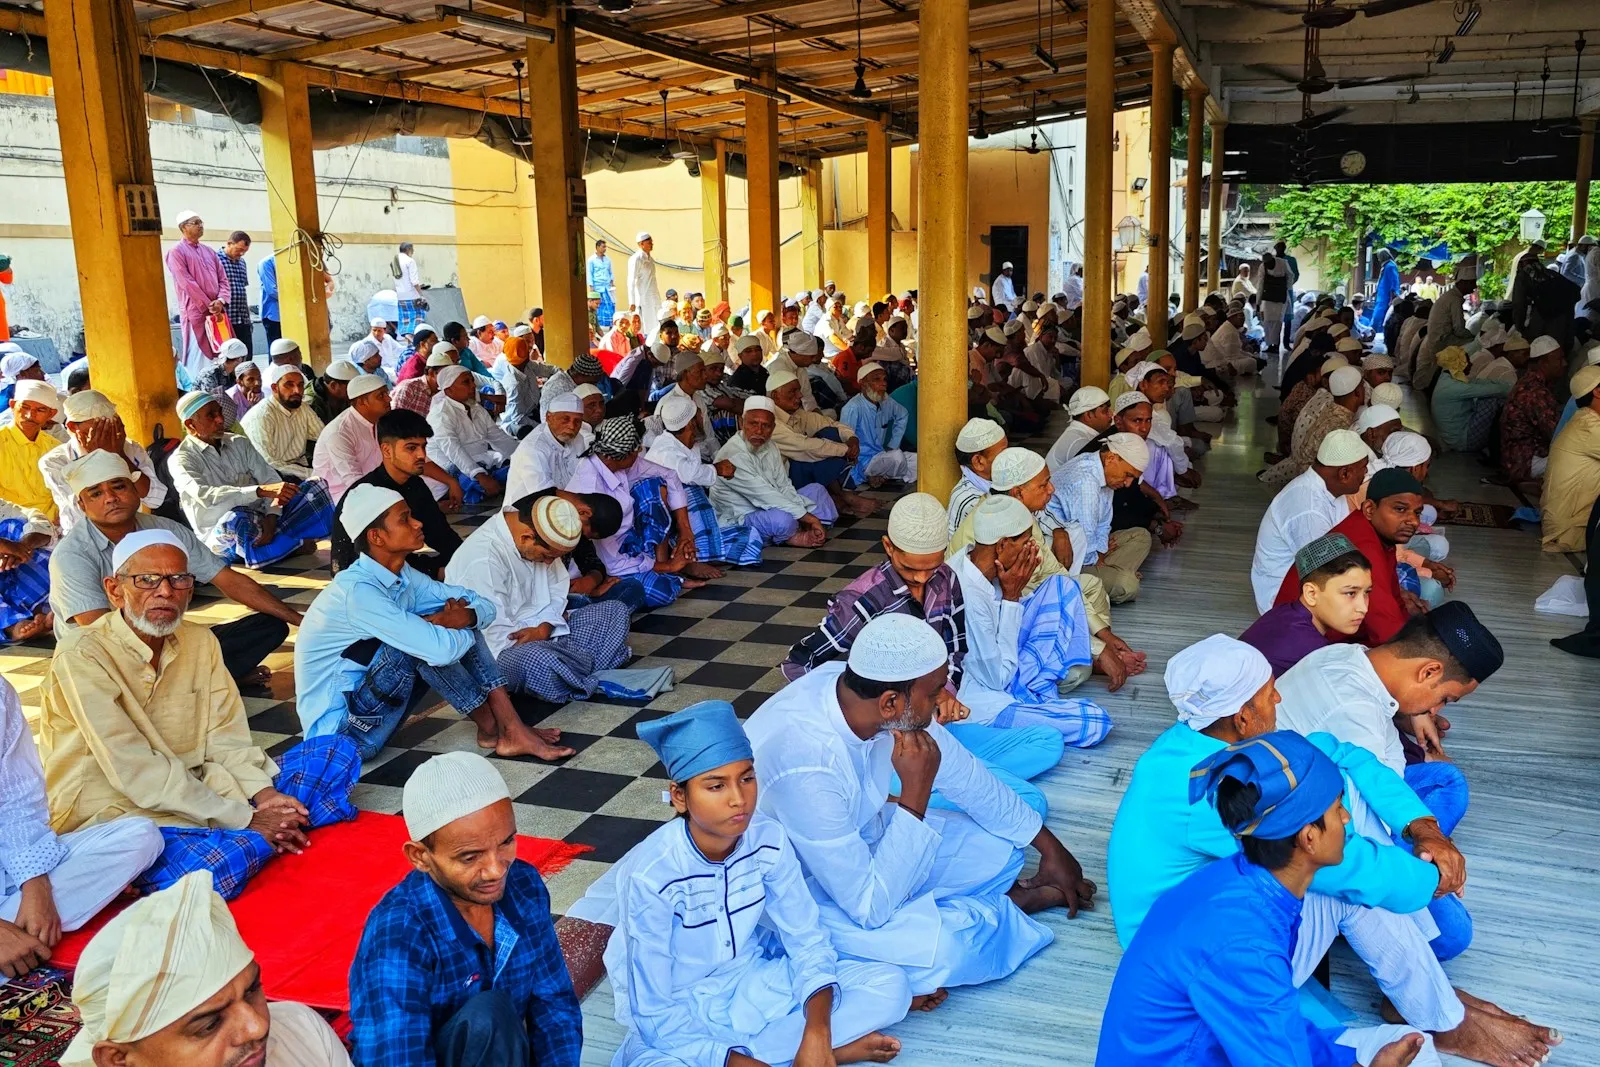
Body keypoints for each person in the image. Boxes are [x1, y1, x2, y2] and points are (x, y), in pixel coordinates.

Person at [745, 614, 1096, 999]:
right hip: (802, 888)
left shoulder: (862, 689)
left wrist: (1049, 847)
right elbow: (868, 906)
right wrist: (915, 792)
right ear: (892, 702)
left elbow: (965, 775)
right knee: (952, 948)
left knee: (1001, 849)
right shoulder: (804, 762)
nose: (942, 699)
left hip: (865, 839)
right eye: (934, 693)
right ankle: (1014, 903)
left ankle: (963, 908)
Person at [37, 529, 360, 900]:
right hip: (120, 814)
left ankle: (265, 832)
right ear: (114, 590)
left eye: (179, 579)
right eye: (146, 580)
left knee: (337, 751)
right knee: (219, 857)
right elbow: (134, 770)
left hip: (206, 788)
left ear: (190, 589)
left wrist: (265, 795)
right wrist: (247, 817)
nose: (165, 591)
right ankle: (253, 837)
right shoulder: (82, 654)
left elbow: (227, 736)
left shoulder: (200, 642)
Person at [1097, 730, 1444, 1067]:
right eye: (1339, 808)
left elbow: (1280, 1028)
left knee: (1415, 1047)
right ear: (1309, 838)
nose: (1347, 818)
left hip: (1215, 1045)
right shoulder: (1244, 944)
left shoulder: (1247, 883)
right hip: (1195, 1055)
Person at [600, 700, 912, 1067]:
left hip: (750, 985)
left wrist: (817, 1031)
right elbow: (653, 1015)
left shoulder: (768, 840)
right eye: (716, 786)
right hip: (679, 1016)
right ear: (680, 796)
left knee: (891, 987)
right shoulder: (651, 874)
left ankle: (811, 1051)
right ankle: (815, 1057)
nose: (738, 799)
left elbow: (807, 941)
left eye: (747, 778)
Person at [1276, 604, 1505, 964]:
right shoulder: (1353, 712)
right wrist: (1429, 842)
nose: (1437, 708)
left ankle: (1421, 858)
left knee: (1447, 780)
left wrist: (1406, 713)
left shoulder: (1347, 656)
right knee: (1452, 936)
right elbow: (1369, 815)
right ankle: (1357, 915)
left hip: (1351, 789)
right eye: (1444, 698)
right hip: (1325, 823)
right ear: (1429, 671)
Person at [297, 484, 571, 762]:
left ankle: (503, 727)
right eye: (404, 519)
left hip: (375, 720)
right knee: (421, 642)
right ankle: (500, 726)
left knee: (452, 618)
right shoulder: (358, 593)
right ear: (376, 536)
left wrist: (468, 616)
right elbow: (439, 651)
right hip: (340, 740)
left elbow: (482, 604)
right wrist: (458, 623)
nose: (417, 523)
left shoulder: (403, 575)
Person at [350, 752, 581, 1067]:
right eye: (470, 857)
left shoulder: (523, 885)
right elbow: (398, 1059)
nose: (495, 870)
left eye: (506, 843)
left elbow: (555, 1006)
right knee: (487, 1019)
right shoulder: (400, 933)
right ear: (420, 856)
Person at [49, 451, 301, 685]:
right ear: (81, 505)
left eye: (119, 486)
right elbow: (99, 632)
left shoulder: (165, 530)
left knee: (269, 626)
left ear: (135, 490)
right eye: (96, 493)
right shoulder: (72, 554)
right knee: (118, 665)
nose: (111, 498)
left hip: (166, 643)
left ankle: (200, 679)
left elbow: (227, 579)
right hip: (107, 659)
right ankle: (206, 680)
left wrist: (300, 620)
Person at [61, 870, 353, 1067]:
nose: (257, 1026)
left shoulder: (300, 1028)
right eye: (209, 1025)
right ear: (119, 1060)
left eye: (251, 991)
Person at [0, 672, 162, 982]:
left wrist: (36, 885)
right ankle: (21, 937)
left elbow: (17, 799)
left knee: (140, 837)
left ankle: (23, 932)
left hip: (6, 868)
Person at [947, 495, 1112, 743]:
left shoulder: (972, 559)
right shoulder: (969, 594)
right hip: (984, 695)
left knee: (1063, 587)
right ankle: (1029, 697)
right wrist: (1012, 596)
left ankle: (1035, 686)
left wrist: (1013, 593)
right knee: (1095, 721)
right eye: (1026, 542)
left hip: (1001, 659)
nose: (1033, 548)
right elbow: (997, 679)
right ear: (1002, 545)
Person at [1275, 467, 1443, 645]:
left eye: (1417, 512)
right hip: (1300, 644)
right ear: (1369, 509)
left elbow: (1393, 600)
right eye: (1400, 509)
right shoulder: (1364, 548)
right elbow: (1386, 632)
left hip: (1318, 632)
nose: (1414, 521)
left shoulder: (1376, 534)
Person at [171, 391, 334, 568]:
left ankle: (276, 546)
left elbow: (271, 481)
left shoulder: (239, 443)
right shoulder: (181, 458)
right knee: (236, 519)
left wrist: (271, 518)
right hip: (225, 532)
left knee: (317, 487)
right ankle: (291, 545)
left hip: (264, 520)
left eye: (220, 412)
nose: (220, 419)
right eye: (211, 416)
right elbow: (204, 495)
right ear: (191, 424)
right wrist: (258, 491)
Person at [567, 416, 703, 608]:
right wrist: (667, 567)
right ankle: (595, 597)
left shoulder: (615, 462)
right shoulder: (592, 491)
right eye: (635, 451)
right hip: (602, 565)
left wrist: (685, 532)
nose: (638, 455)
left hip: (626, 549)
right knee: (660, 593)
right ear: (621, 455)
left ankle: (658, 573)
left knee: (654, 486)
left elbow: (669, 476)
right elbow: (609, 558)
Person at [329, 408, 463, 578]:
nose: (421, 455)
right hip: (364, 582)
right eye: (411, 448)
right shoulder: (368, 494)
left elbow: (440, 535)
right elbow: (372, 562)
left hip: (404, 570)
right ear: (386, 450)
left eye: (423, 446)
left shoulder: (414, 484)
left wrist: (464, 559)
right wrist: (437, 572)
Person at [1249, 428, 1368, 611]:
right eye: (1364, 468)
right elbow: (1328, 570)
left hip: (1316, 580)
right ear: (1344, 474)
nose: (1366, 474)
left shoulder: (1333, 492)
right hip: (1284, 600)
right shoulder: (1308, 508)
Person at [709, 396, 837, 550]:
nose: (759, 431)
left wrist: (801, 513)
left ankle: (796, 529)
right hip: (741, 517)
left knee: (817, 491)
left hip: (771, 505)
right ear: (742, 423)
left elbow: (783, 485)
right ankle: (792, 536)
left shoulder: (770, 446)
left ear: (773, 428)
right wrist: (807, 517)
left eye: (766, 426)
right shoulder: (732, 455)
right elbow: (765, 495)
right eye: (753, 424)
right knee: (782, 519)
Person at [1243, 532, 1372, 675]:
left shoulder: (1283, 612)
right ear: (1311, 593)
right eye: (1350, 593)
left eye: (1367, 592)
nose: (1363, 608)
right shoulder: (1314, 654)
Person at [39, 388, 165, 532]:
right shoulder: (54, 462)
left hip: (132, 533)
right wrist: (97, 456)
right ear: (73, 427)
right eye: (98, 427)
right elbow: (84, 513)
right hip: (86, 541)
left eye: (110, 424)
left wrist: (118, 455)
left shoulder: (128, 448)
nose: (107, 432)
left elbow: (156, 499)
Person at [1049, 433, 1151, 603]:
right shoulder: (1085, 481)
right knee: (1128, 585)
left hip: (1090, 549)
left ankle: (1110, 575)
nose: (1127, 483)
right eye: (1128, 475)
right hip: (1069, 558)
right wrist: (1099, 557)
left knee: (1141, 536)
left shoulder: (1102, 469)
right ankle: (1111, 577)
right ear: (1112, 458)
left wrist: (1101, 550)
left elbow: (1103, 524)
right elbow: (1085, 543)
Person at [429, 365, 516, 503]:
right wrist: (479, 475)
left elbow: (499, 438)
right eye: (466, 382)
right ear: (449, 390)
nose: (473, 386)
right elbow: (454, 451)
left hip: (482, 460)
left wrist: (524, 454)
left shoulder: (476, 409)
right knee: (474, 483)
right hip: (452, 465)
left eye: (472, 381)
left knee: (520, 469)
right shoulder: (441, 415)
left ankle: (494, 483)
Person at [166, 211, 230, 382]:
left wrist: (221, 301)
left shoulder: (209, 251)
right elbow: (186, 283)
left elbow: (223, 280)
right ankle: (199, 390)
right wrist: (208, 305)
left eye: (201, 222)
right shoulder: (176, 252)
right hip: (196, 312)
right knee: (198, 354)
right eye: (195, 222)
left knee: (220, 351)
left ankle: (219, 388)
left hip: (217, 312)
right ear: (183, 227)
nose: (200, 225)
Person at [311, 374, 392, 501]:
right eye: (381, 396)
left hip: (372, 487)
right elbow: (353, 482)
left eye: (387, 393)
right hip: (338, 497)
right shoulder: (339, 433)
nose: (389, 399)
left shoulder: (378, 420)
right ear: (361, 402)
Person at [1500, 334, 1566, 483]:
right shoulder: (1535, 392)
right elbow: (1558, 435)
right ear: (1543, 363)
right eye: (1559, 360)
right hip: (1526, 462)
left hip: (1519, 458)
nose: (1565, 364)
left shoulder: (1531, 383)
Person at [239, 363, 324, 480]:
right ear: (274, 388)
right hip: (269, 476)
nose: (297, 390)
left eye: (300, 385)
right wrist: (313, 474)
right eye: (289, 385)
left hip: (298, 469)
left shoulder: (302, 407)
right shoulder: (262, 416)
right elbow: (269, 463)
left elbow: (324, 436)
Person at [839, 361, 917, 486]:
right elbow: (846, 444)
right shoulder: (852, 408)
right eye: (877, 379)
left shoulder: (886, 401)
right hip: (863, 463)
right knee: (897, 457)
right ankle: (873, 476)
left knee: (920, 461)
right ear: (862, 384)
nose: (884, 383)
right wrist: (859, 471)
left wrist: (893, 444)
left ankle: (883, 476)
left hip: (881, 456)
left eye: (884, 379)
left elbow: (902, 414)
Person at [0, 380, 62, 522]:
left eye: (40, 410)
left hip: (55, 527)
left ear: (51, 414)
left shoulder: (56, 448)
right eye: (24, 407)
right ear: (12, 405)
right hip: (9, 527)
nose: (29, 415)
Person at [507, 392, 587, 501]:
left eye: (577, 421)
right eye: (565, 419)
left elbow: (583, 476)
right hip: (531, 510)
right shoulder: (534, 448)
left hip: (568, 503)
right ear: (548, 418)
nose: (572, 426)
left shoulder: (578, 439)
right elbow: (543, 493)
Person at [1415, 256, 1478, 389]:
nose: (1474, 287)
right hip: (1442, 342)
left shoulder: (1450, 296)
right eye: (1473, 282)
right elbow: (1459, 330)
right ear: (1465, 282)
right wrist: (1477, 338)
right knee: (1476, 347)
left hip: (1439, 340)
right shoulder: (1454, 299)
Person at [1045, 386, 1114, 470]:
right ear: (1088, 415)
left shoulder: (1080, 433)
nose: (1111, 414)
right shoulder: (1079, 441)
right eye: (1105, 411)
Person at [217, 231, 253, 355]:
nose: (241, 253)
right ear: (229, 243)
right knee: (230, 357)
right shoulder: (216, 260)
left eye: (245, 251)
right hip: (227, 319)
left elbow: (243, 290)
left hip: (243, 319)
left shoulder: (242, 262)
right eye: (239, 249)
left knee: (247, 356)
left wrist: (249, 319)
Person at [308, 359, 357, 425]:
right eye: (351, 386)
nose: (355, 390)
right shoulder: (312, 404)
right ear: (333, 385)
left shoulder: (344, 395)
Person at [628, 230, 661, 329]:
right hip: (643, 297)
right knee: (645, 325)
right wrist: (632, 301)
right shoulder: (636, 259)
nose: (652, 244)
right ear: (641, 244)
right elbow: (631, 280)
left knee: (656, 323)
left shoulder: (650, 259)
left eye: (651, 242)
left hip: (653, 296)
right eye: (649, 242)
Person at [394, 241, 425, 336]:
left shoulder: (395, 260)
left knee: (405, 321)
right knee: (417, 319)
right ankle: (412, 342)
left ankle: (408, 342)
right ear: (408, 249)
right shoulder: (410, 261)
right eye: (412, 249)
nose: (413, 251)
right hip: (412, 296)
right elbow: (414, 281)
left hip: (400, 296)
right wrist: (421, 294)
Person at [258, 251, 281, 345]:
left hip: (290, 313)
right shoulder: (267, 263)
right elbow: (272, 290)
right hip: (273, 314)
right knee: (277, 349)